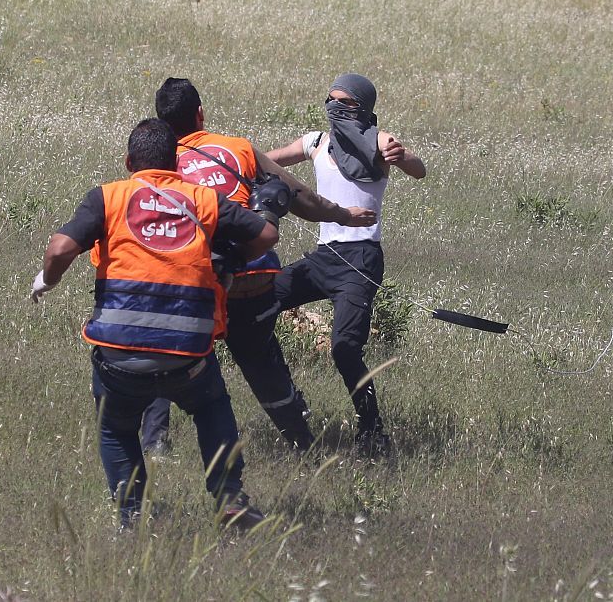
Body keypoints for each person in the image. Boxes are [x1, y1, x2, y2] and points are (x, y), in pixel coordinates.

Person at [30, 117, 277, 529]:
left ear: (129, 162)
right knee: (211, 405)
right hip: (188, 354)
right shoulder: (203, 199)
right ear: (176, 163)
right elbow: (266, 236)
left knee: (115, 427)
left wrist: (48, 280)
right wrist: (233, 260)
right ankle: (229, 497)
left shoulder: (108, 197)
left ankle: (131, 517)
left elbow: (59, 249)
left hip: (120, 357)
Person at [141, 78, 378, 452]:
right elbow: (299, 196)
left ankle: (155, 445)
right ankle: (303, 446)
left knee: (164, 350)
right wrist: (343, 215)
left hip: (195, 281)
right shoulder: (238, 149)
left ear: (162, 124)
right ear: (200, 113)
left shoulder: (159, 163)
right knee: (260, 364)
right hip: (252, 277)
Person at [265, 73, 426, 457]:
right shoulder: (317, 142)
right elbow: (267, 160)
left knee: (344, 348)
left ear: (363, 107)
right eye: (330, 100)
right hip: (324, 256)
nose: (334, 108)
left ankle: (373, 432)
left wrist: (402, 157)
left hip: (360, 260)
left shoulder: (379, 141)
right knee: (257, 303)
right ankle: (287, 396)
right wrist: (237, 162)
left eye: (345, 102)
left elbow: (418, 169)